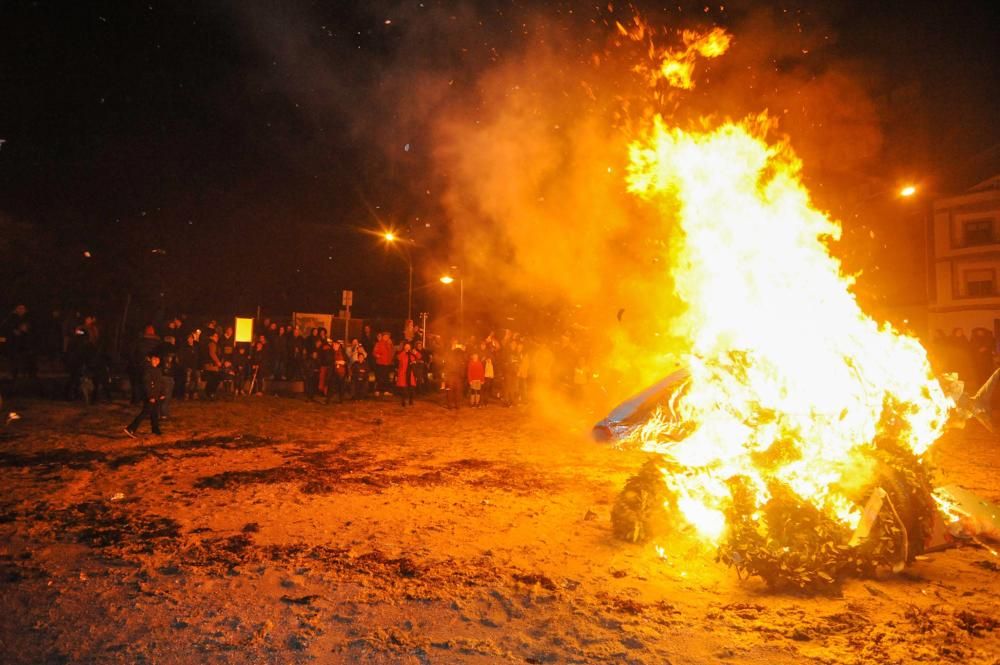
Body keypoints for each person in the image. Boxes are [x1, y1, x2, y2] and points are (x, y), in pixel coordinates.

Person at [124, 352, 164, 437]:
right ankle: (131, 428)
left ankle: (155, 429)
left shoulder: (157, 370)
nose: (156, 361)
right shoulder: (148, 370)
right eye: (154, 359)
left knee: (155, 413)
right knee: (145, 412)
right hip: (150, 396)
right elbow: (147, 384)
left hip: (156, 395)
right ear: (151, 360)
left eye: (157, 359)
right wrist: (150, 396)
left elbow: (159, 383)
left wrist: (161, 393)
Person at [396, 342, 417, 407]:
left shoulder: (412, 354)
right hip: (403, 373)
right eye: (406, 346)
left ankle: (411, 400)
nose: (407, 347)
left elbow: (419, 357)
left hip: (411, 373)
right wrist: (404, 352)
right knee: (404, 388)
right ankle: (404, 401)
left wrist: (415, 353)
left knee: (411, 388)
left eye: (408, 346)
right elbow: (399, 358)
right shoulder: (402, 354)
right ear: (404, 347)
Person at [327, 340, 348, 404]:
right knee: (331, 386)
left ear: (339, 345)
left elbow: (347, 360)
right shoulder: (330, 352)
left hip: (342, 372)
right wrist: (336, 362)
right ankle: (329, 399)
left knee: (341, 386)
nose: (334, 346)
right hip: (333, 371)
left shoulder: (343, 352)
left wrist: (343, 362)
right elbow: (328, 360)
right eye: (333, 345)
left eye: (336, 345)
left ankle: (341, 399)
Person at [373, 332, 395, 396]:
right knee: (379, 377)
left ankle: (386, 390)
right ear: (383, 337)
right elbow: (374, 352)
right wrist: (377, 355)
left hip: (387, 363)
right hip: (380, 363)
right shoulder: (378, 343)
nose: (386, 338)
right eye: (385, 336)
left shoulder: (389, 344)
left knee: (386, 377)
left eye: (387, 337)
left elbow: (392, 352)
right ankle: (377, 390)